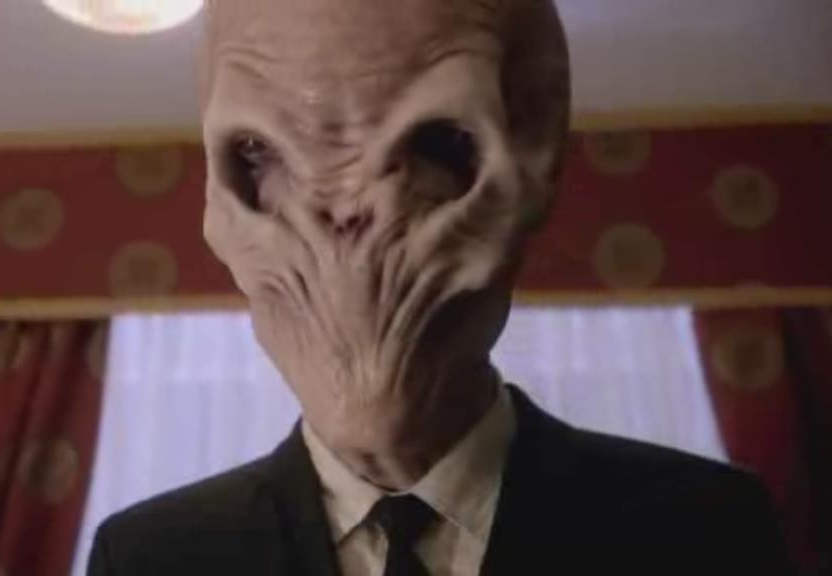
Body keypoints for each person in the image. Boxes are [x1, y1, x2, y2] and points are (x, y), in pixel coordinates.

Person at [89, 0, 793, 574]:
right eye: (256, 152)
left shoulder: (703, 528)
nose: (344, 219)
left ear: (530, 156)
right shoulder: (150, 556)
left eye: (435, 143)